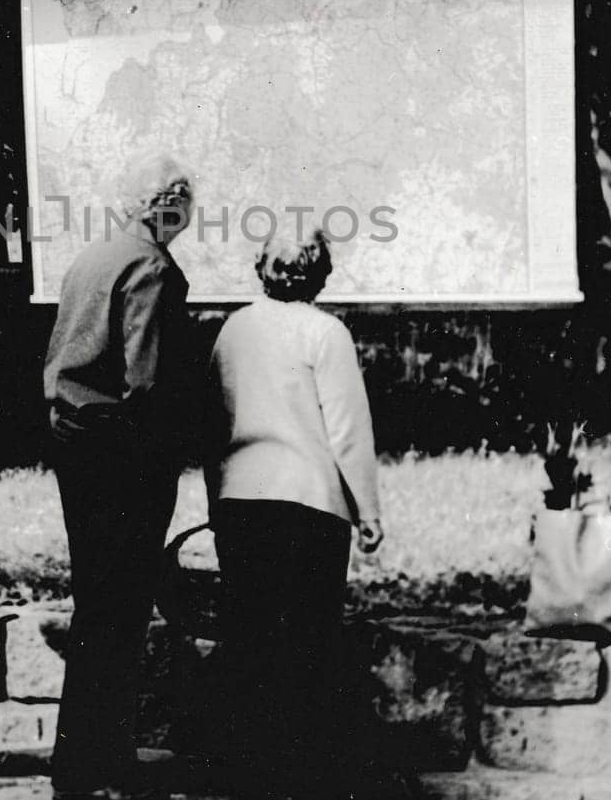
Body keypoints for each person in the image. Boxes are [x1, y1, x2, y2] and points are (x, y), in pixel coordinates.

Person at [206, 229, 383, 800]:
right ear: (321, 274)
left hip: (242, 500)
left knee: (247, 637)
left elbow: (213, 420)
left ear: (262, 268)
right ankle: (307, 772)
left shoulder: (234, 329)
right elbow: (347, 430)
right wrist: (368, 509)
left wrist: (217, 497)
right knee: (311, 641)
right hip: (310, 504)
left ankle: (240, 770)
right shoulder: (327, 333)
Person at [43, 152, 197, 800]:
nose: (189, 212)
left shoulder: (91, 258)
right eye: (187, 199)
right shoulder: (153, 268)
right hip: (124, 462)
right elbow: (149, 384)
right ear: (169, 201)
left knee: (95, 607)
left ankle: (81, 759)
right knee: (121, 613)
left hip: (76, 449)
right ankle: (99, 765)